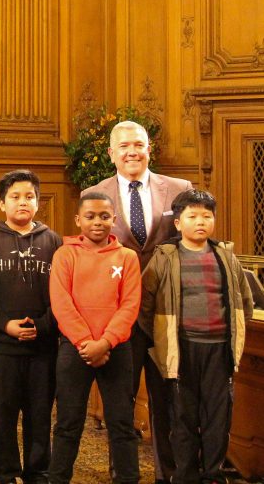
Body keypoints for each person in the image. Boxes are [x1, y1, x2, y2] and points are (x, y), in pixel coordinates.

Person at [83, 120, 192, 483]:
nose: (132, 151)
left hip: (166, 314)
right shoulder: (94, 193)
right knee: (119, 402)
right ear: (111, 153)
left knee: (168, 401)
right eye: (124, 146)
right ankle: (123, 472)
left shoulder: (179, 189)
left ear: (149, 149)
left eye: (139, 144)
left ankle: (170, 474)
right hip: (118, 316)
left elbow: (189, 243)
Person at [138, 189, 254, 484]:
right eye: (192, 216)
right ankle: (185, 475)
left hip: (220, 349)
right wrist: (161, 341)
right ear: (178, 223)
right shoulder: (164, 257)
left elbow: (246, 301)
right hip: (182, 348)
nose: (200, 221)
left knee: (218, 416)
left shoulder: (226, 257)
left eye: (207, 215)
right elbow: (144, 306)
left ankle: (212, 474)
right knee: (183, 418)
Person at [0, 170, 61, 484]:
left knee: (39, 413)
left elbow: (63, 290)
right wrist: (5, 324)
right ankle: (4, 473)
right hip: (1, 345)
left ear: (38, 202)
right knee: (1, 414)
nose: (23, 202)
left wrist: (45, 324)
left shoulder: (53, 241)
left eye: (29, 196)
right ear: (2, 203)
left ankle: (38, 471)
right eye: (15, 197)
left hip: (42, 345)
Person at [48, 192, 141, 484]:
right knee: (68, 422)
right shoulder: (65, 254)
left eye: (104, 216)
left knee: (122, 422)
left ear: (114, 219)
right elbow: (61, 302)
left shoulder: (127, 257)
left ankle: (127, 478)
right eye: (90, 216)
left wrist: (106, 342)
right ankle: (58, 478)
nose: (97, 222)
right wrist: (85, 342)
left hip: (116, 348)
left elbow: (130, 305)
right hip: (75, 349)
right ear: (78, 220)